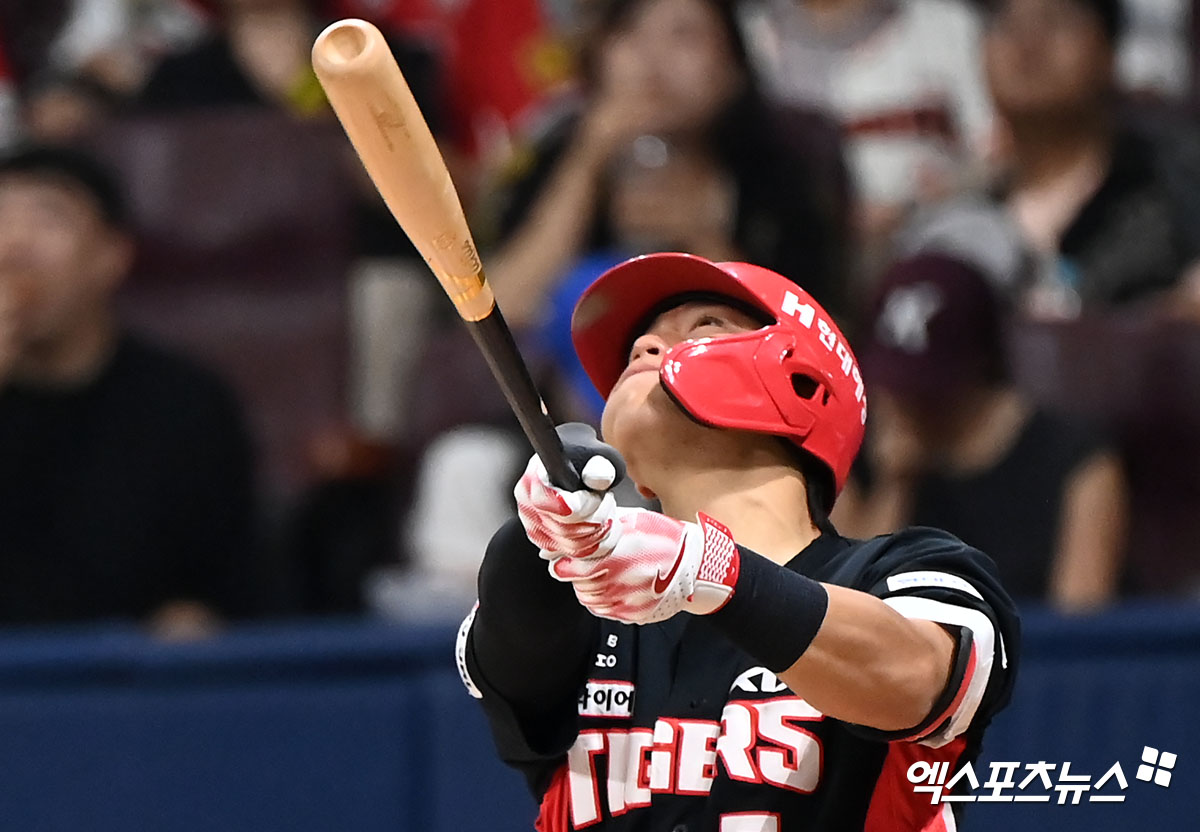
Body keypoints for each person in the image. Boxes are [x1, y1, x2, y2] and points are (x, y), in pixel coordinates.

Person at [457, 252, 1019, 829]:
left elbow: (916, 679)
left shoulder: (902, 570)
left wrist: (713, 569)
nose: (645, 349)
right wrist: (543, 535)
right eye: (637, 348)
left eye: (705, 326)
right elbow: (510, 651)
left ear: (807, 386)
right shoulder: (585, 602)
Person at [0, 144, 255, 633]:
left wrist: (194, 619)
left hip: (136, 687)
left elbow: (230, 585)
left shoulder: (186, 404)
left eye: (47, 219)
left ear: (111, 257)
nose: (15, 245)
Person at [483, 0, 845, 329]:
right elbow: (505, 309)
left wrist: (703, 236)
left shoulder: (781, 171)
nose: (651, 58)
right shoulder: (558, 151)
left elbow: (804, 336)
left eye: (683, 34)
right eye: (629, 31)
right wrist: (587, 159)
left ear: (734, 70)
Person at [833, 252, 1129, 610]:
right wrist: (896, 483)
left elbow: (1079, 626)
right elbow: (848, 612)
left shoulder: (1074, 459)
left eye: (928, 385)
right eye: (894, 383)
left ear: (980, 365)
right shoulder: (857, 451)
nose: (908, 402)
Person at [983, 0, 1200, 315]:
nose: (1027, 44)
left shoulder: (1179, 189)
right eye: (1005, 23)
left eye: (1056, 21)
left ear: (1109, 49)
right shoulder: (957, 217)